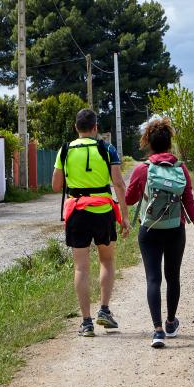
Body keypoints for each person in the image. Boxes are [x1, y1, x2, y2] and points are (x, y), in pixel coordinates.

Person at [126, 117, 194, 348]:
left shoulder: (143, 170)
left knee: (153, 278)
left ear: (148, 143)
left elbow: (130, 199)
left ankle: (158, 331)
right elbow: (189, 201)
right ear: (170, 143)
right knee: (173, 277)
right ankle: (171, 323)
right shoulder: (181, 169)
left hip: (149, 230)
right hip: (175, 230)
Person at [52, 109, 131, 337]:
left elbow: (56, 186)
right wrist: (124, 216)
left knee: (81, 267)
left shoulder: (65, 150)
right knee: (106, 260)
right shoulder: (107, 148)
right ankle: (104, 311)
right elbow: (118, 183)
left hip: (77, 211)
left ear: (76, 128)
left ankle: (86, 322)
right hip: (103, 210)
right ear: (95, 127)